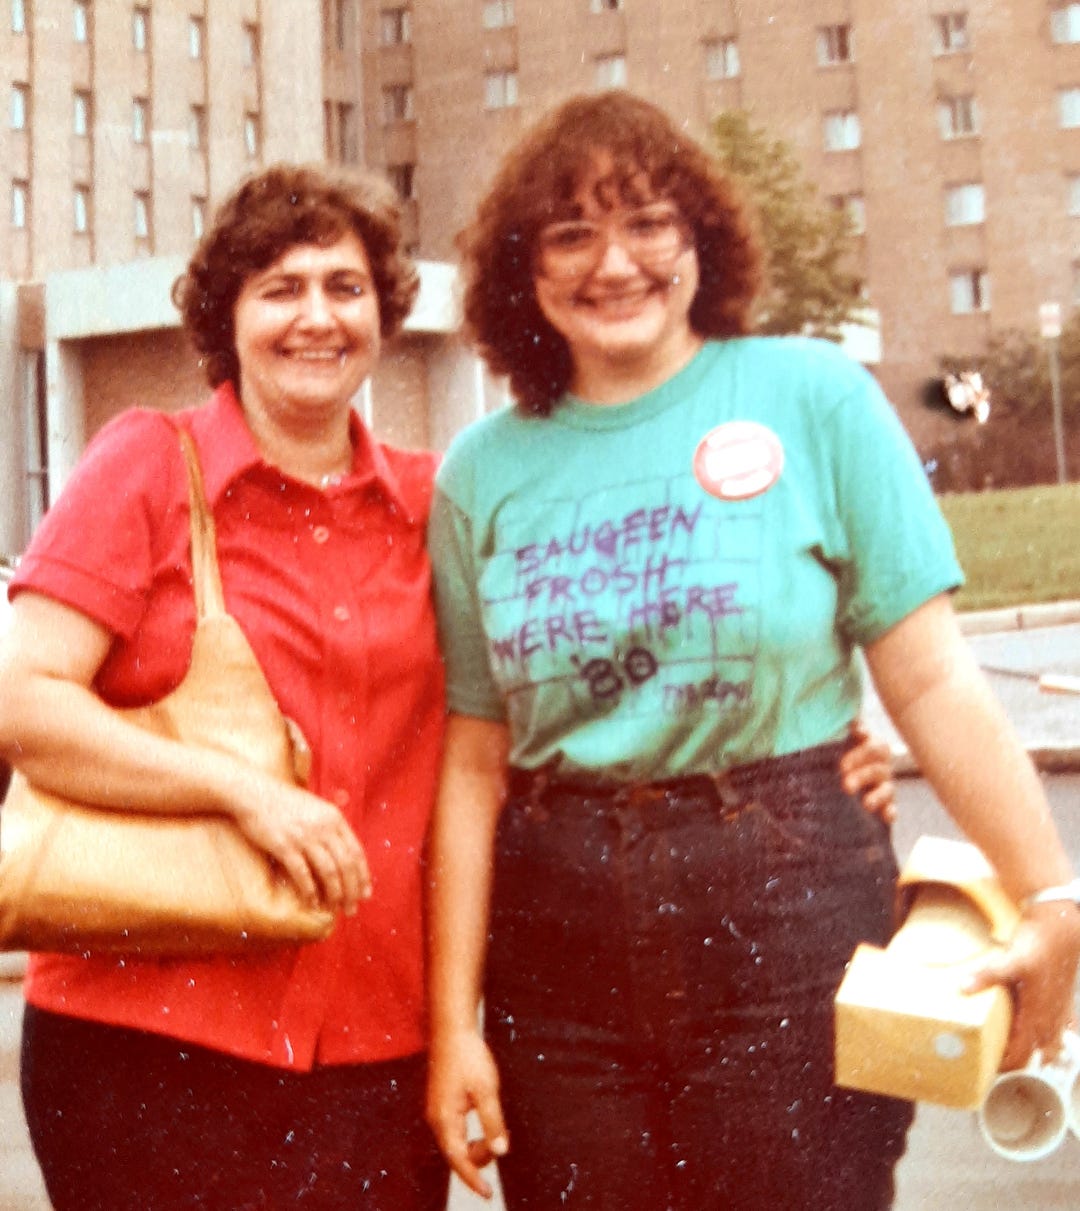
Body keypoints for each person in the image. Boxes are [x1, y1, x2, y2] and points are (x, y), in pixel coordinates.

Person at [423, 90, 1080, 1211]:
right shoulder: (480, 471)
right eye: (571, 232)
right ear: (520, 269)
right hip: (555, 931)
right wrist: (450, 1026)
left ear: (701, 238)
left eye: (647, 223)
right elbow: (475, 761)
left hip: (786, 897)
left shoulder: (813, 396)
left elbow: (928, 677)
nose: (613, 263)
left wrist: (1052, 897)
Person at [0, 164, 449, 1211]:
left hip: (377, 1041)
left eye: (345, 286)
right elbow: (22, 697)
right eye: (279, 287)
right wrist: (241, 789)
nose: (316, 316)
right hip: (147, 1035)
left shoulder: (438, 505)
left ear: (384, 313)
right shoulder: (148, 465)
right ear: (227, 316)